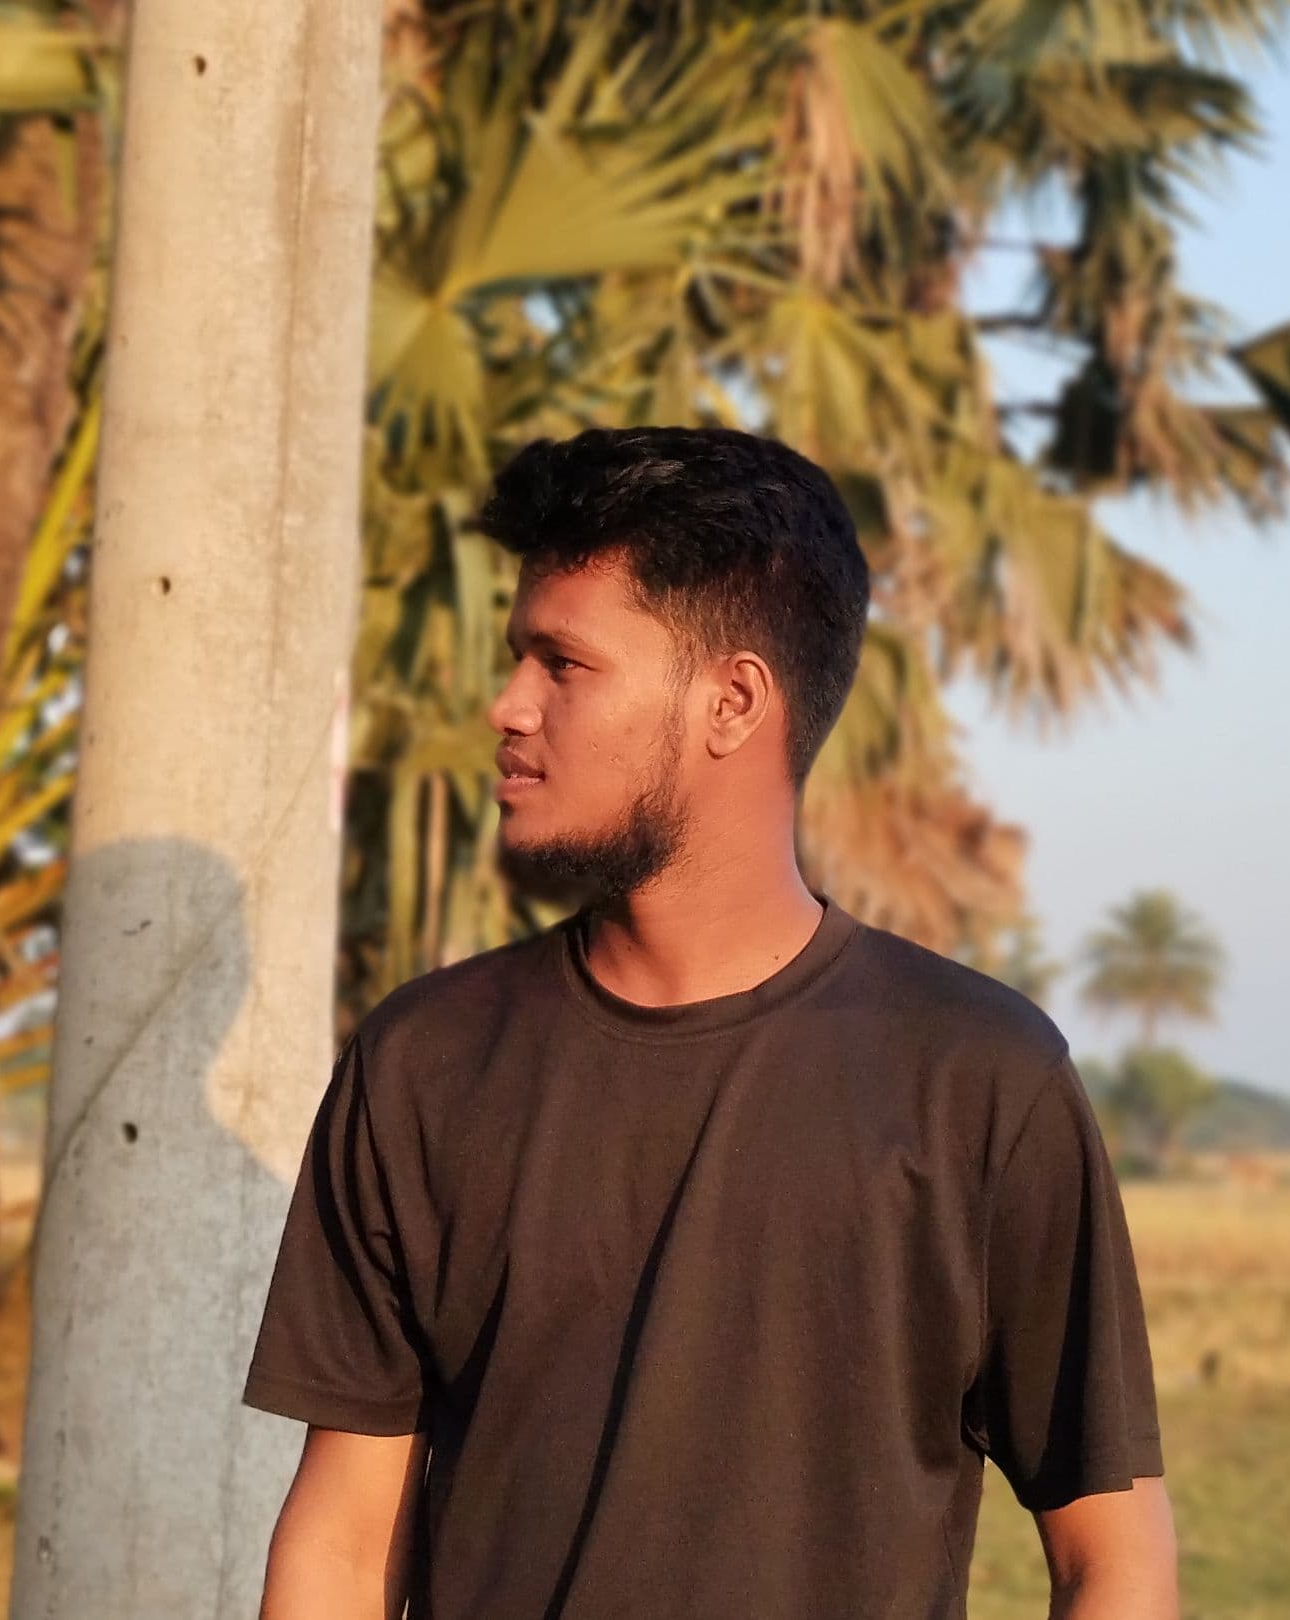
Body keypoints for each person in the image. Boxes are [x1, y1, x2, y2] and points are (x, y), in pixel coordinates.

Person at [241, 426, 1178, 1619]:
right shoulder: (421, 1064)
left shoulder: (979, 1080)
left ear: (732, 701)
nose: (507, 705)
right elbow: (339, 1544)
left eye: (561, 664)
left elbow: (1113, 1559)